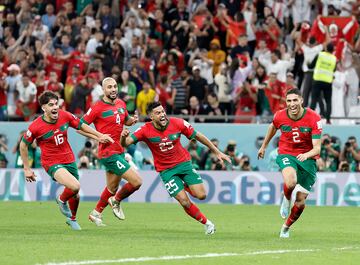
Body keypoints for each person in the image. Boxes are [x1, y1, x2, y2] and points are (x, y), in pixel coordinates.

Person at [120, 102, 231, 235]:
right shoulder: (145, 130)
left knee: (201, 195)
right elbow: (126, 144)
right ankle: (207, 223)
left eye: (162, 111)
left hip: (184, 164)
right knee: (184, 201)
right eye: (158, 113)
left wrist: (217, 151)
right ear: (151, 116)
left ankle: (183, 185)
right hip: (167, 171)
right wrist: (122, 137)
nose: (162, 115)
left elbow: (198, 136)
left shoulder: (178, 123)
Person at [20, 91, 113, 230]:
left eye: (56, 104)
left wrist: (99, 136)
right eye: (50, 105)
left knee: (75, 194)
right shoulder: (36, 126)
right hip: (52, 162)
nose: (55, 107)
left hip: (69, 159)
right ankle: (61, 199)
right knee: (75, 186)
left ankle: (72, 219)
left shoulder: (65, 115)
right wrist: (27, 169)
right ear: (43, 108)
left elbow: (81, 125)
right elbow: (23, 145)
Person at [257, 88, 322, 238]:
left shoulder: (314, 118)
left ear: (301, 100)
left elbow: (317, 147)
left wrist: (306, 155)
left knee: (300, 203)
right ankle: (286, 200)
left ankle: (285, 227)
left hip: (308, 159)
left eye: (295, 100)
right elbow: (272, 127)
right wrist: (264, 146)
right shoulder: (280, 116)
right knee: (291, 181)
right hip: (286, 152)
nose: (292, 104)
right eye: (289, 101)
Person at [80, 77, 142, 227]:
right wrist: (98, 136)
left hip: (119, 150)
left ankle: (95, 214)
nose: (113, 89)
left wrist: (132, 120)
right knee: (137, 182)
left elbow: (125, 120)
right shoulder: (97, 107)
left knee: (112, 188)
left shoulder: (121, 103)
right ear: (103, 90)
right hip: (108, 153)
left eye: (115, 86)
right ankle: (116, 201)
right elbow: (79, 126)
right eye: (109, 87)